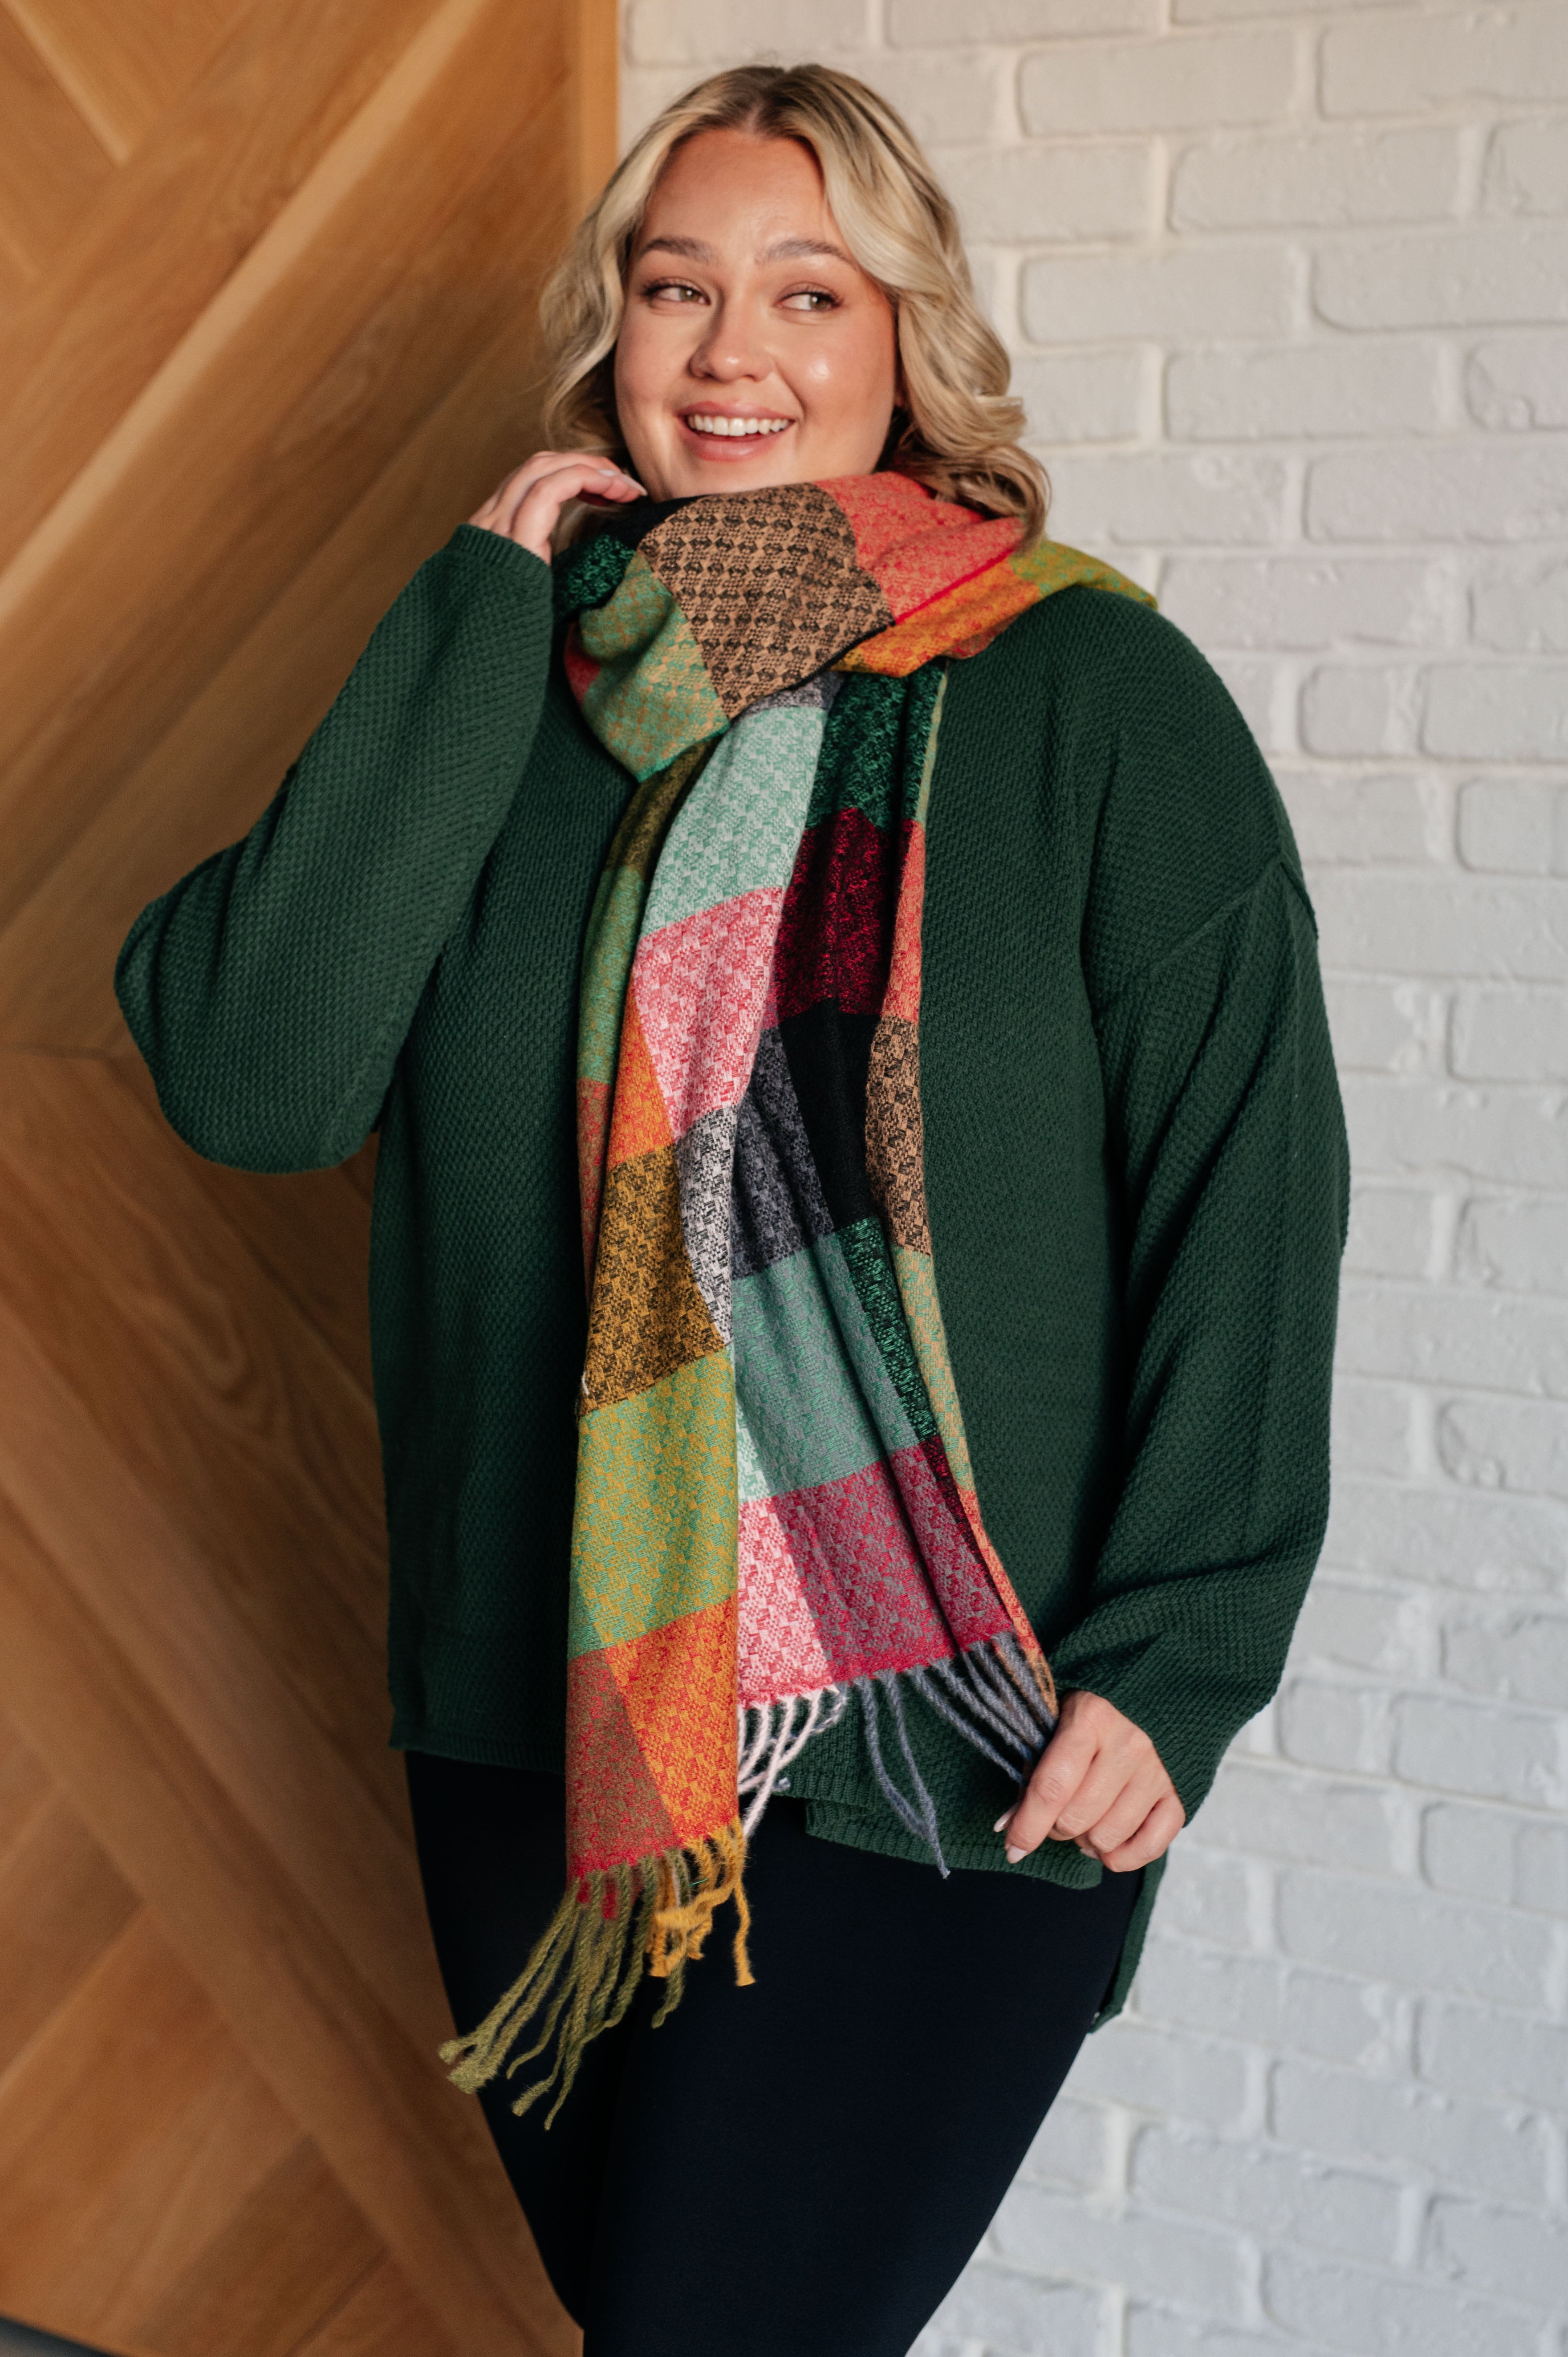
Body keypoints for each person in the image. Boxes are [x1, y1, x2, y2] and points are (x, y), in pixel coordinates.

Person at [115, 61, 1347, 2357]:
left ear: (912, 346)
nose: (731, 351)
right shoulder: (515, 684)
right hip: (539, 1698)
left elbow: (1247, 1191)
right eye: (677, 288)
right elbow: (252, 1076)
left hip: (949, 1720)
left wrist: (1185, 1656)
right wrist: (483, 604)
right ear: (612, 333)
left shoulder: (1092, 698)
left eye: (808, 289)